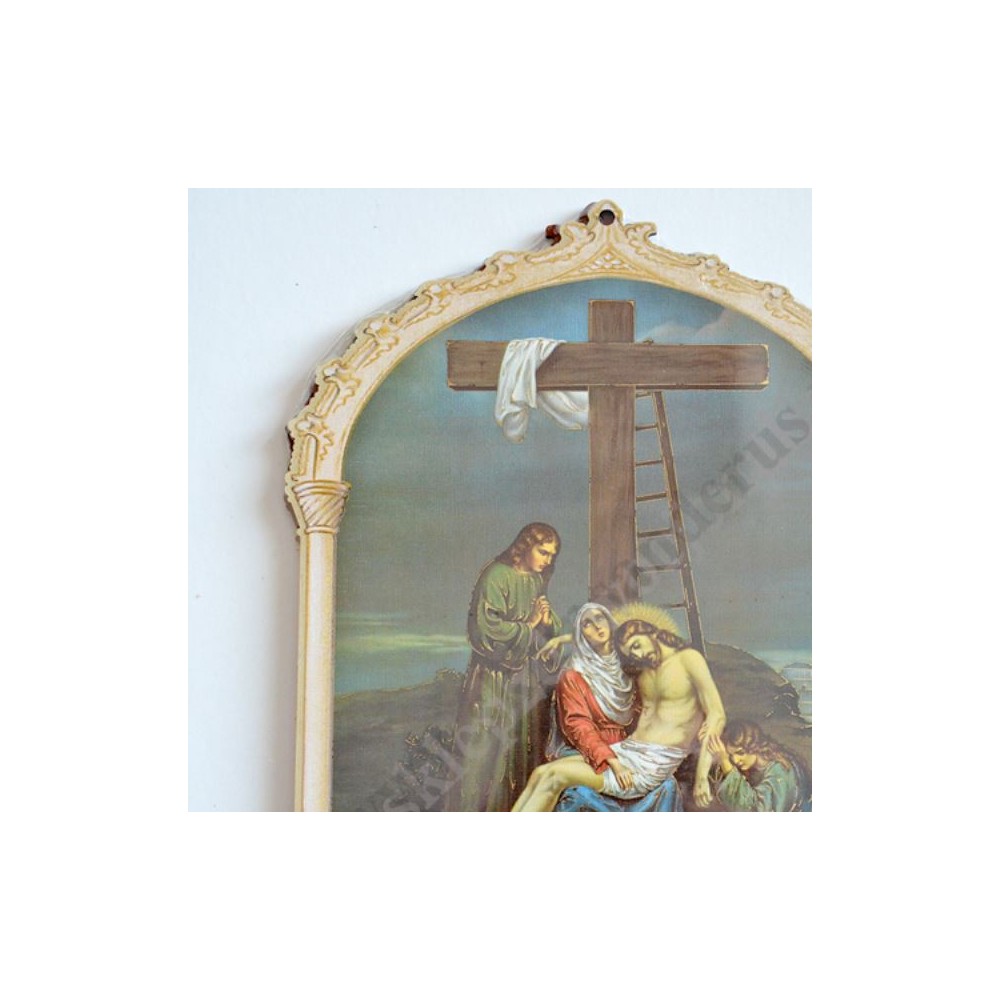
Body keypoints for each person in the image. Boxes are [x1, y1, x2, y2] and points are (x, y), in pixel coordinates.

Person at [512, 616, 726, 812]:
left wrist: (701, 778)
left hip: (649, 765)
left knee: (555, 777)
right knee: (541, 773)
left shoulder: (688, 659)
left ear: (652, 633)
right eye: (631, 653)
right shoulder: (644, 669)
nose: (638, 655)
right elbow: (601, 639)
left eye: (637, 645)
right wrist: (560, 640)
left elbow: (717, 716)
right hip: (627, 750)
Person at [451, 523, 563, 811]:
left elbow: (546, 630)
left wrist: (547, 622)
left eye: (552, 555)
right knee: (487, 750)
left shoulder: (536, 581)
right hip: (493, 679)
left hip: (525, 682)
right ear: (524, 546)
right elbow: (484, 629)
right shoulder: (496, 576)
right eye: (543, 552)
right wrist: (531, 625)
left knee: (522, 748)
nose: (548, 560)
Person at [708, 721, 809, 811]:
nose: (735, 760)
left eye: (740, 753)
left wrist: (725, 761)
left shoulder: (780, 771)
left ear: (754, 747)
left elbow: (755, 810)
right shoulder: (755, 768)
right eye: (730, 755)